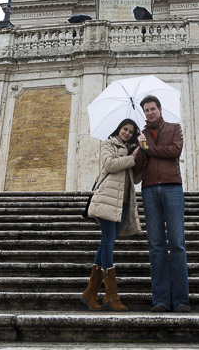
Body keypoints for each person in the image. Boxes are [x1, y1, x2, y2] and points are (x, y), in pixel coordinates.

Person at [133, 95, 191, 313]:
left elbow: (175, 150)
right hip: (148, 189)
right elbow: (138, 167)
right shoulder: (142, 135)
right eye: (146, 110)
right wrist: (138, 150)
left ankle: (181, 300)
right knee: (156, 246)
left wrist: (150, 150)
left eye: (152, 109)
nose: (149, 113)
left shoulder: (174, 128)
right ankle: (160, 299)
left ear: (159, 109)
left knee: (177, 243)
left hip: (172, 187)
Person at [81, 119, 141, 311]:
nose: (127, 133)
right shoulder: (109, 143)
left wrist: (141, 156)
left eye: (131, 131)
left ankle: (90, 292)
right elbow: (110, 164)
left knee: (106, 243)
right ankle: (111, 295)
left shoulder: (132, 149)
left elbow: (136, 178)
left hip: (122, 203)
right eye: (125, 129)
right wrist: (132, 158)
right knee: (108, 243)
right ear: (119, 128)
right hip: (107, 199)